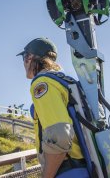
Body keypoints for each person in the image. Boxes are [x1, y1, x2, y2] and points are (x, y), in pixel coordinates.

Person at [17, 37, 88, 177]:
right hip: (83, 167)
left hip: (68, 170)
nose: (24, 64)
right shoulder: (64, 81)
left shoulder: (42, 83)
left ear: (29, 57)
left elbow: (60, 135)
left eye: (24, 58)